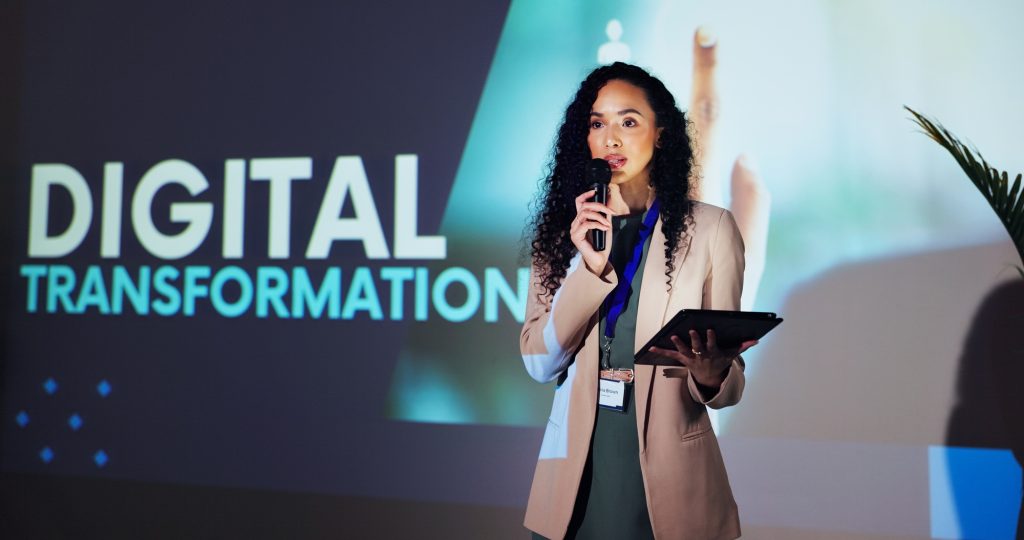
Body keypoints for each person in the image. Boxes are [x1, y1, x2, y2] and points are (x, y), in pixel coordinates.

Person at [521, 62, 757, 540]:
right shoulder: (561, 234)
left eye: (628, 122)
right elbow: (538, 364)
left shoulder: (711, 230)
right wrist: (587, 267)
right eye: (597, 123)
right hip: (574, 482)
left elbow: (731, 385)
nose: (611, 139)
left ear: (661, 135)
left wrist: (712, 377)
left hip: (672, 487)